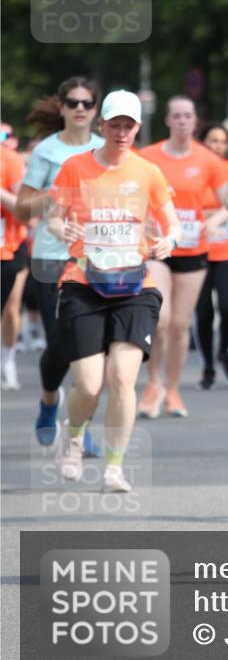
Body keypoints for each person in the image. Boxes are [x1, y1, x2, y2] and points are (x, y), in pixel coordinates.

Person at [47, 90, 180, 491]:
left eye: (129, 125)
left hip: (135, 284)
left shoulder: (148, 172)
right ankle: (72, 435)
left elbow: (172, 223)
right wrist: (62, 228)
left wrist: (169, 241)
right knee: (89, 384)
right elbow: (53, 218)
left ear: (138, 128)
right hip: (83, 284)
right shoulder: (75, 168)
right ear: (101, 125)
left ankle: (114, 466)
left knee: (123, 377)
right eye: (115, 124)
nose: (122, 132)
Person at [16, 77, 104, 447]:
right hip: (52, 259)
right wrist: (52, 196)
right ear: (63, 108)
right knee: (61, 345)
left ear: (95, 109)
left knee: (93, 351)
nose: (80, 108)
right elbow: (22, 210)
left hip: (98, 258)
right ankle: (50, 400)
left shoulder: (105, 148)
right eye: (73, 102)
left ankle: (79, 429)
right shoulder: (46, 152)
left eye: (86, 103)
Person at [138, 96, 228, 417]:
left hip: (193, 248)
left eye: (187, 116)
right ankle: (153, 384)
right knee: (159, 321)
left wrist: (213, 222)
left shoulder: (208, 160)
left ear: (195, 121)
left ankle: (173, 389)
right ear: (167, 120)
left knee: (179, 326)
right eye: (175, 116)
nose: (181, 121)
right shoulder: (147, 157)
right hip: (158, 247)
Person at [194, 123, 228, 389]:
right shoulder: (192, 172)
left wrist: (220, 217)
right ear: (201, 142)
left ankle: (225, 352)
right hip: (198, 251)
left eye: (222, 142)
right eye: (211, 140)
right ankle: (208, 366)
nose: (217, 146)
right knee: (203, 313)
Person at [1, 137, 27, 389]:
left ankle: (7, 360)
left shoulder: (9, 158)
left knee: (11, 308)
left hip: (9, 248)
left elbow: (24, 210)